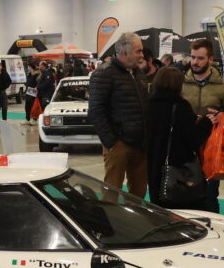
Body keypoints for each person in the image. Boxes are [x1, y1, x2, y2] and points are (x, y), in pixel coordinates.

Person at [181, 38, 224, 213]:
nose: (195, 62)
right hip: (185, 148)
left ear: (210, 59)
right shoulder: (181, 83)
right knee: (184, 194)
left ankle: (212, 226)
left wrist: (221, 116)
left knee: (209, 196)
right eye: (193, 57)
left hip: (211, 148)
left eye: (200, 58)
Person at [88, 32, 149, 198]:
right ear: (124, 53)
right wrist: (111, 142)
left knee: (139, 193)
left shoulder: (138, 74)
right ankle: (110, 217)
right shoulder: (104, 73)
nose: (142, 55)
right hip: (118, 144)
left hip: (140, 144)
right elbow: (95, 110)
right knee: (111, 194)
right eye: (138, 51)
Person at [146, 67, 212, 210]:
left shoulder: (149, 104)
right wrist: (206, 123)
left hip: (154, 166)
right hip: (179, 169)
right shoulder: (181, 107)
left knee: (159, 209)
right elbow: (194, 138)